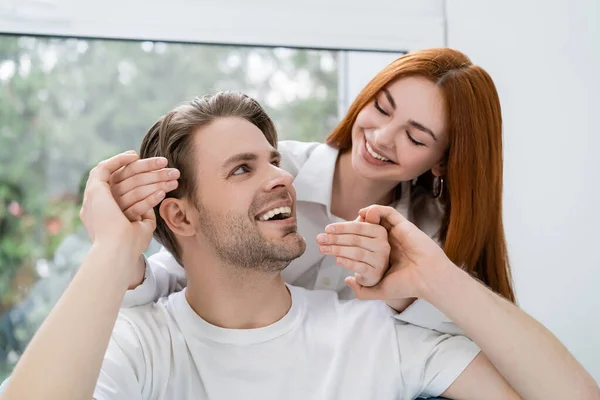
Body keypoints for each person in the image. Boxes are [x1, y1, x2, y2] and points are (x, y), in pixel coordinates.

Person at [2, 92, 598, 400]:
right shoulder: (142, 341)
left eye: (275, 161)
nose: (281, 177)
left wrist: (435, 277)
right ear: (179, 215)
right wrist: (111, 247)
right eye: (242, 169)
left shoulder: (371, 338)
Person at [113, 48, 513, 333]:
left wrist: (399, 288)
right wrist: (124, 251)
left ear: (443, 160)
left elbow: (471, 330)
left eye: (415, 136)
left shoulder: (430, 235)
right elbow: (177, 276)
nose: (382, 136)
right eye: (383, 108)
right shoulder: (271, 173)